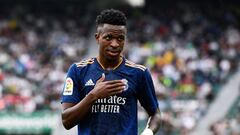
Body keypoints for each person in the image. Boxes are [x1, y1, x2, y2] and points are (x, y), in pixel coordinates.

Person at [61, 9, 161, 135]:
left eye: (120, 38)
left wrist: (148, 133)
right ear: (97, 38)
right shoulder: (78, 70)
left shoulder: (139, 73)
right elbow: (66, 121)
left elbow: (155, 114)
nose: (115, 44)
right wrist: (93, 96)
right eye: (108, 37)